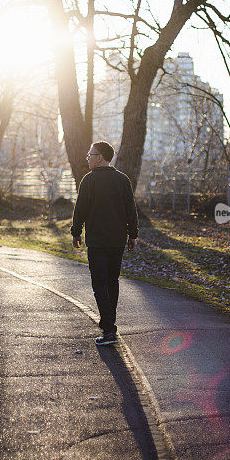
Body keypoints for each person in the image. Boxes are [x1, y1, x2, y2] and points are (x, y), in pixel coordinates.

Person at [71, 141, 138, 346]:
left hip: (98, 241)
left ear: (100, 157)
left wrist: (76, 232)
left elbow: (80, 209)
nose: (87, 158)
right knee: (112, 282)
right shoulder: (122, 180)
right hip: (117, 241)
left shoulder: (89, 181)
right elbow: (131, 209)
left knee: (99, 284)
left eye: (90, 155)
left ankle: (109, 329)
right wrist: (132, 234)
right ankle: (110, 324)